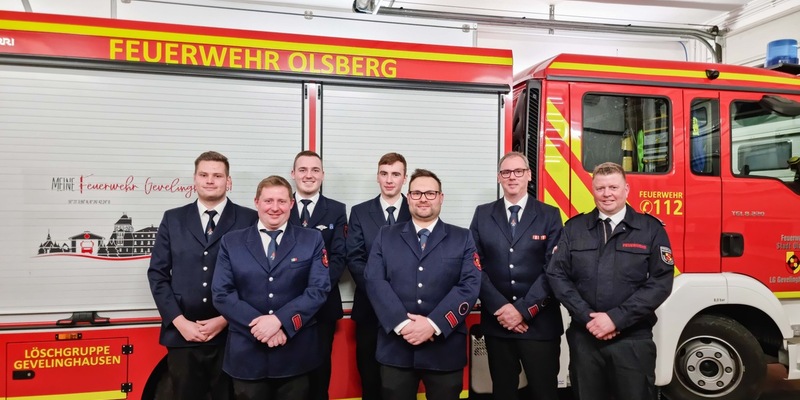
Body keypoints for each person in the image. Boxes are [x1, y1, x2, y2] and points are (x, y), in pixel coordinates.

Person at [546, 162, 674, 400]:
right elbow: (557, 274)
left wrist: (616, 319)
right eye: (600, 188)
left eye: (613, 187)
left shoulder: (650, 229)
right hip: (585, 338)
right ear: (592, 190)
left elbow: (661, 281)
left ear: (626, 189)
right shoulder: (574, 228)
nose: (607, 194)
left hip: (632, 340)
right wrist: (587, 317)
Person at [147, 151, 258, 400]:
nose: (210, 180)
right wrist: (179, 322)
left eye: (217, 175)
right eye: (204, 174)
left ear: (228, 181)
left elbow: (255, 277)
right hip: (183, 334)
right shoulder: (173, 219)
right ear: (194, 179)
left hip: (231, 334)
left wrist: (226, 319)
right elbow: (157, 274)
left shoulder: (249, 219)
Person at [211, 175, 331, 400]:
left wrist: (280, 322)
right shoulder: (232, 241)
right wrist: (260, 327)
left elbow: (318, 289)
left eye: (281, 201)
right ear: (256, 202)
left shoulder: (311, 239)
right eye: (268, 201)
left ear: (291, 204)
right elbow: (222, 293)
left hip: (295, 353)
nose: (275, 208)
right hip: (247, 354)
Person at [365, 168, 481, 400]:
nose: (423, 199)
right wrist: (403, 324)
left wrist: (433, 324)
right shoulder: (386, 235)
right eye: (417, 193)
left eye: (430, 193)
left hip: (444, 348)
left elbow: (469, 285)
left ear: (441, 197)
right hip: (397, 348)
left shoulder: (462, 237)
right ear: (408, 198)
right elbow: (374, 281)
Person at [469, 151, 563, 400]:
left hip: (540, 325)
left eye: (518, 171)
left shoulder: (550, 214)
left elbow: (553, 268)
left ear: (529, 175)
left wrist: (522, 311)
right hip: (498, 325)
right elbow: (474, 266)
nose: (512, 177)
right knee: (503, 392)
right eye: (506, 172)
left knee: (544, 393)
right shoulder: (482, 214)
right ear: (499, 177)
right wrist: (501, 309)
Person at [346, 152, 411, 400]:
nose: (389, 180)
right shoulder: (360, 212)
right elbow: (355, 258)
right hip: (369, 310)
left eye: (395, 174)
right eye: (384, 174)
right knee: (370, 378)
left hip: (408, 310)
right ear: (377, 177)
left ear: (404, 178)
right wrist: (380, 293)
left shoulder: (417, 209)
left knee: (401, 382)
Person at [287, 150, 347, 400]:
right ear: (293, 174)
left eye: (315, 170)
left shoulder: (336, 209)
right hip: (284, 305)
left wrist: (314, 293)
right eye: (302, 170)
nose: (308, 175)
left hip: (322, 307)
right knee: (289, 378)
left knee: (320, 375)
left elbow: (339, 257)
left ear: (323, 175)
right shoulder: (280, 205)